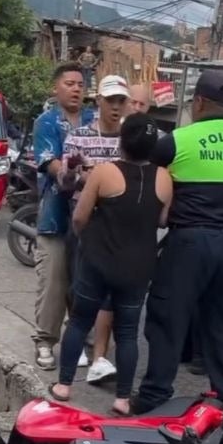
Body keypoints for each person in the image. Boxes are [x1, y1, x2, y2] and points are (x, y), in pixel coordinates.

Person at [132, 70, 223, 414]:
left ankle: (154, 398)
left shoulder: (179, 140)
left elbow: (143, 167)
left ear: (200, 102)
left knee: (167, 316)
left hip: (190, 241)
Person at [52, 114, 172, 414]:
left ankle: (64, 385)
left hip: (99, 261)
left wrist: (88, 238)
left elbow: (79, 216)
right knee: (128, 333)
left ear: (122, 141)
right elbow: (162, 220)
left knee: (80, 320)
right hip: (138, 267)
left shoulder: (104, 172)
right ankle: (121, 399)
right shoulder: (164, 178)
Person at [61, 75, 130, 384]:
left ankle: (100, 355)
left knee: (110, 293)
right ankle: (77, 344)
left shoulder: (130, 140)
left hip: (118, 225)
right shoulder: (78, 137)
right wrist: (77, 173)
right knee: (77, 284)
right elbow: (65, 182)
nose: (115, 107)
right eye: (110, 100)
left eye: (121, 101)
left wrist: (95, 176)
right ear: (98, 101)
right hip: (85, 220)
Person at [32, 62, 95, 371]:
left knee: (83, 282)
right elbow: (50, 162)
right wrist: (73, 175)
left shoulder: (92, 119)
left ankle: (80, 340)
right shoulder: (46, 122)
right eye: (69, 83)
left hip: (89, 220)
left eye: (80, 84)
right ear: (56, 88)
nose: (75, 88)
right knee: (54, 281)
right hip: (56, 215)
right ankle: (45, 341)